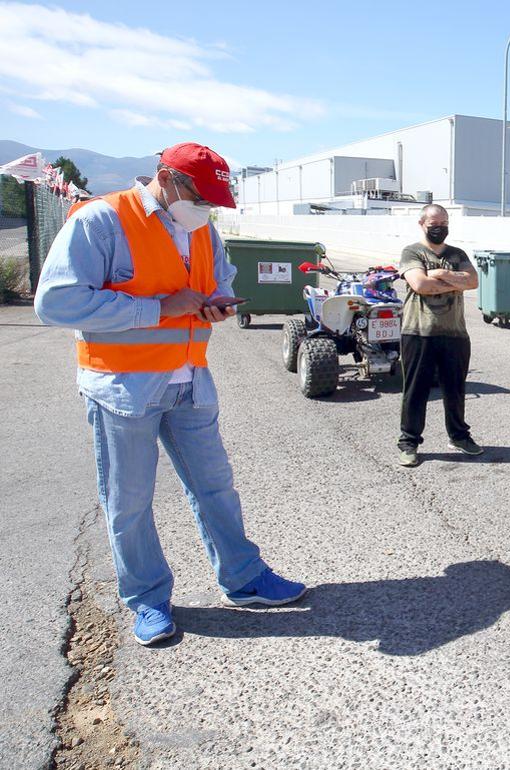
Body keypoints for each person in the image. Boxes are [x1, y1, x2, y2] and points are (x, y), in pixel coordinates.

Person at [34, 143, 307, 646]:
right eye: (200, 197)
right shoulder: (101, 221)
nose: (205, 210)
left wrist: (218, 302)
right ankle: (147, 598)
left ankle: (243, 578)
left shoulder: (202, 226)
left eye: (213, 203)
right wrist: (156, 309)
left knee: (216, 488)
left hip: (189, 381)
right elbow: (55, 302)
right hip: (124, 389)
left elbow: (220, 276)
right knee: (130, 502)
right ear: (166, 178)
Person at [396, 204, 481, 467]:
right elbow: (420, 284)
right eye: (434, 224)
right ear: (422, 224)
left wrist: (442, 274)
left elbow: (473, 281)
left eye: (444, 224)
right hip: (418, 332)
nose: (440, 228)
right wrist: (455, 281)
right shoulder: (412, 252)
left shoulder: (457, 254)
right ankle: (409, 442)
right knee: (416, 391)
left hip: (455, 333)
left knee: (455, 390)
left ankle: (458, 436)